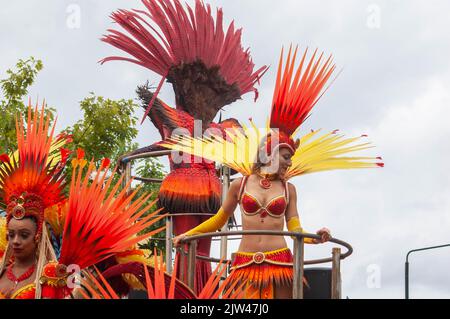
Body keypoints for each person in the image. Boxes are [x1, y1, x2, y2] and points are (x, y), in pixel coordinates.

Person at [169, 46, 384, 299]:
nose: (289, 164)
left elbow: (294, 227)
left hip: (281, 263)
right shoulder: (241, 184)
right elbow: (218, 220)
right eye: (286, 157)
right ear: (269, 153)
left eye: (290, 159)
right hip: (244, 264)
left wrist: (316, 238)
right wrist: (187, 235)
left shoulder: (288, 189)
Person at [101, 0, 267, 293]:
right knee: (194, 247)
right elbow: (169, 141)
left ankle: (191, 291)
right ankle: (194, 291)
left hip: (192, 190)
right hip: (202, 190)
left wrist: (131, 156)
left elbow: (167, 139)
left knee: (190, 247)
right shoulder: (216, 127)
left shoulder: (209, 126)